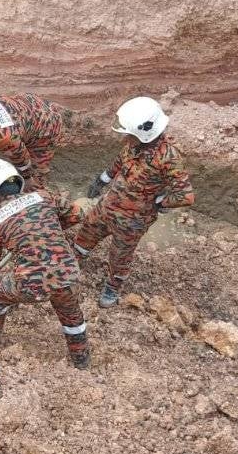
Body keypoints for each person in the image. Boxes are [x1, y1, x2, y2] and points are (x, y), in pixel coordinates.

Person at [73, 96, 195, 308]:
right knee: (87, 231)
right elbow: (119, 162)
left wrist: (159, 203)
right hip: (108, 206)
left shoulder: (169, 158)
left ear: (144, 132)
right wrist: (102, 180)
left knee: (120, 255)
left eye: (128, 135)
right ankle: (74, 261)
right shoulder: (134, 145)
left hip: (132, 221)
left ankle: (112, 287)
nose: (124, 139)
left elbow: (185, 196)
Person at [0, 158, 91, 369]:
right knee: (71, 315)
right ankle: (82, 360)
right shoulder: (45, 196)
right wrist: (52, 226)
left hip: (31, 285)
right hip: (68, 275)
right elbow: (77, 215)